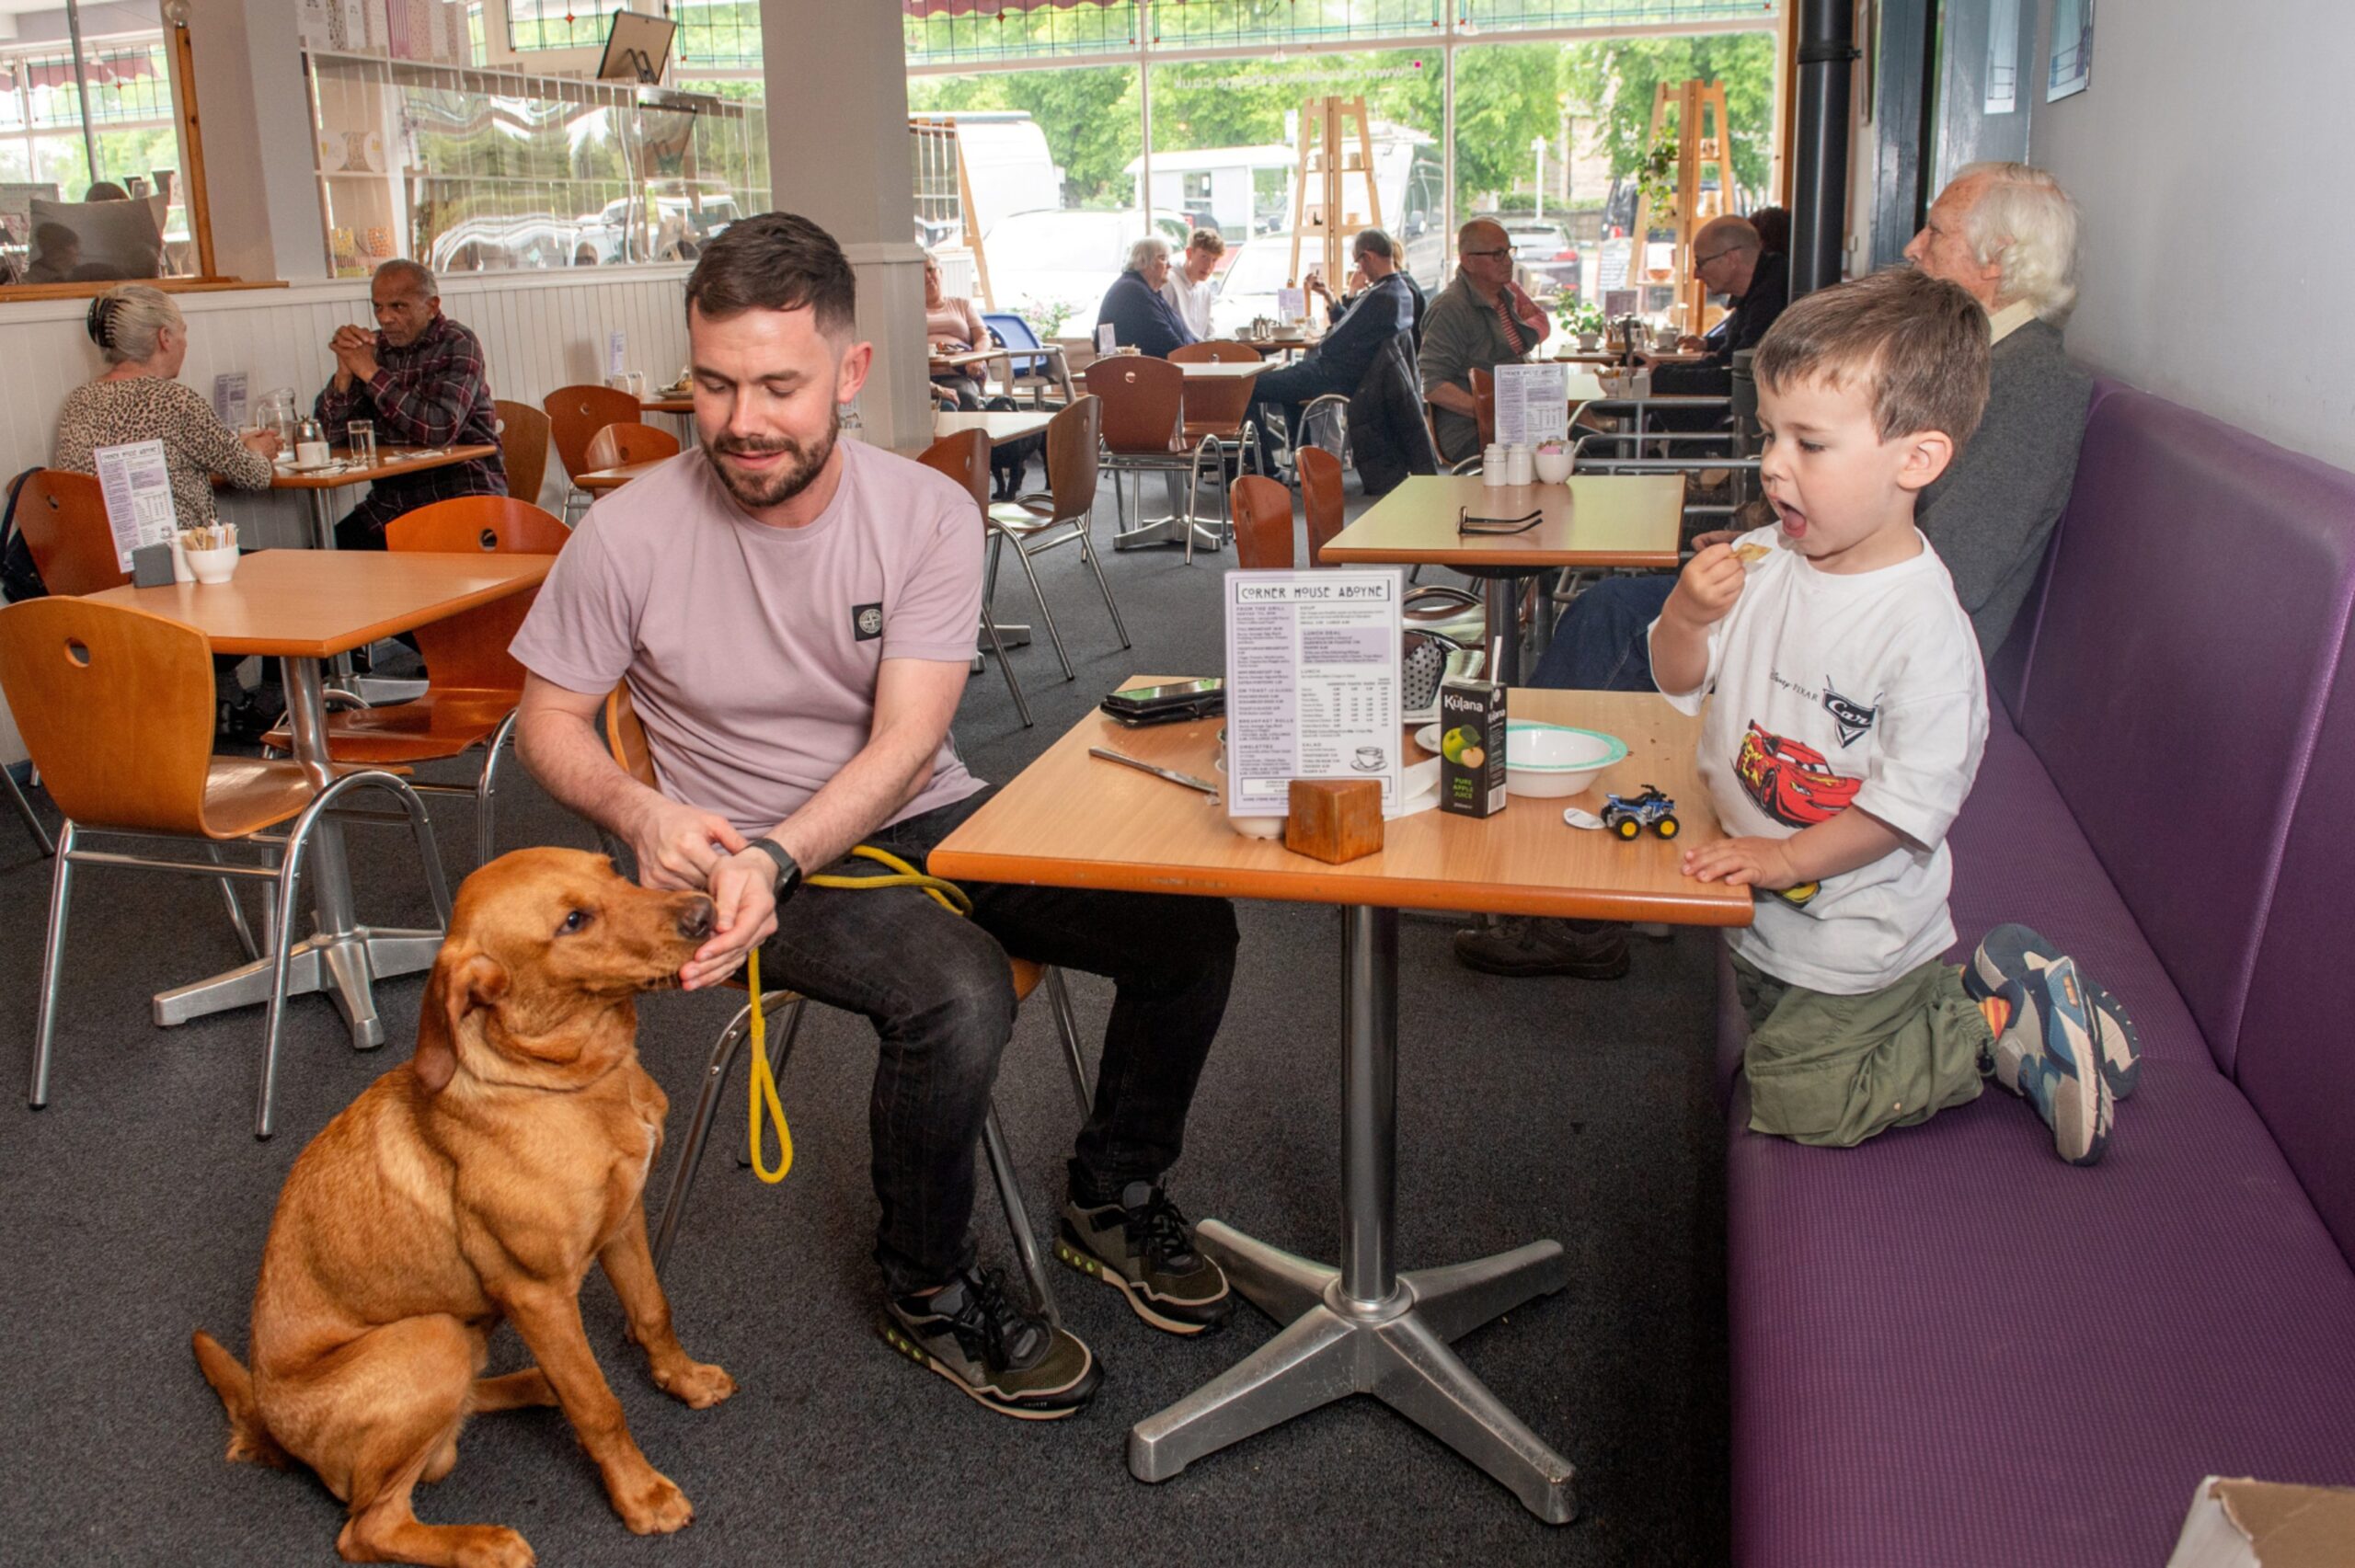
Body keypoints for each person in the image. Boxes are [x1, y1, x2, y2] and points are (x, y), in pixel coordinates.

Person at [511, 212, 1240, 1421]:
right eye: (715, 383)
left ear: (850, 373)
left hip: (896, 816)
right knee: (954, 990)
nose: (743, 420)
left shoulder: (924, 514)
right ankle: (927, 1286)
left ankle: (1112, 1192)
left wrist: (790, 850)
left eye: (779, 386)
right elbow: (548, 721)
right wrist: (637, 809)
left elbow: (907, 748)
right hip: (726, 862)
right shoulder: (626, 533)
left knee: (1188, 928)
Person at [1466, 166, 2092, 983]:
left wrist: (1786, 548)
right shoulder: (1975, 359)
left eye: (1934, 231)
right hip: (1817, 583)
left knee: (1611, 611)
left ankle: (1566, 904)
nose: (1911, 245)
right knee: (1640, 608)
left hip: (1870, 658)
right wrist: (1775, 538)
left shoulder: (2034, 380)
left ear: (1997, 259)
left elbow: (1959, 570)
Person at [1659, 267, 2131, 1166]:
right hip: (1763, 908)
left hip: (1856, 925)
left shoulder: (1922, 630)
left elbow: (1907, 806)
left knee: (1804, 1101)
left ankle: (1992, 1023)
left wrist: (1786, 855)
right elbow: (1677, 680)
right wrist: (1685, 617)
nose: (1770, 464)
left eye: (1809, 444)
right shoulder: (1761, 561)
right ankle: (1956, 997)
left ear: (1915, 459)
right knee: (1771, 1037)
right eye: (1769, 434)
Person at [53, 284, 283, 735]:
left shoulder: (79, 402)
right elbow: (253, 475)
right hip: (172, 577)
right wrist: (259, 451)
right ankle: (270, 710)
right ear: (164, 338)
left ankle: (225, 697)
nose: (183, 341)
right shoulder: (172, 400)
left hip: (100, 579)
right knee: (280, 575)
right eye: (182, 331)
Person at [313, 258, 505, 551]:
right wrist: (345, 373)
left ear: (431, 306)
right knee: (320, 558)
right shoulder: (374, 349)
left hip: (460, 498)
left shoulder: (457, 342)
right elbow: (332, 440)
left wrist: (369, 373)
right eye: (378, 307)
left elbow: (439, 429)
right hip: (392, 504)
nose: (384, 318)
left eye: (398, 306)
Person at [1249, 226, 1417, 461]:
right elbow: (1350, 329)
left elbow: (1332, 344)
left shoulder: (1378, 296)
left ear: (1367, 257)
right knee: (1288, 388)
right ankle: (1304, 464)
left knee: (1247, 387)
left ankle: (1264, 468)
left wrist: (1330, 332)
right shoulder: (1401, 292)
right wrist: (1331, 302)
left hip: (1334, 376)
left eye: (1357, 263)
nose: (1359, 270)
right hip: (1359, 376)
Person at [1419, 218, 1552, 464]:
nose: (1509, 261)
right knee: (1581, 453)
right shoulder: (1450, 308)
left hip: (1516, 427)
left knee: (1586, 443)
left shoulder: (1505, 297)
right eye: (1498, 254)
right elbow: (1434, 386)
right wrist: (1493, 416)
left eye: (1509, 251)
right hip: (1473, 434)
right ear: (1469, 261)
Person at [1649, 214, 1786, 393]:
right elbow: (1726, 360)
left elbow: (1739, 379)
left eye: (1700, 263)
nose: (1695, 275)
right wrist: (1658, 372)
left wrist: (1659, 376)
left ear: (1731, 259)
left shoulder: (1772, 297)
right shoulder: (1757, 291)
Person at [1314, 227, 1428, 348]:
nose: (1360, 269)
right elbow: (1351, 324)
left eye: (1359, 263)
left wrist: (1353, 291)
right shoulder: (1398, 288)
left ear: (1371, 258)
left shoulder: (1386, 294)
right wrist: (1350, 291)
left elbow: (1348, 332)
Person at [1095, 235, 1196, 359]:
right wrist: (1195, 356)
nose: (1169, 266)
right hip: (1135, 373)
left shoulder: (1147, 290)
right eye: (1163, 258)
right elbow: (1166, 342)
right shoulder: (1132, 291)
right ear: (1144, 261)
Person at [922, 253, 990, 411]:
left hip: (957, 373)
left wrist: (977, 358)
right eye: (920, 273)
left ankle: (973, 435)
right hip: (924, 376)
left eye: (931, 270)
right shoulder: (909, 310)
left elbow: (983, 337)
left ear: (941, 272)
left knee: (965, 396)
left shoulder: (962, 304)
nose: (927, 277)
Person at [1162, 228, 1224, 341]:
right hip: (1177, 352)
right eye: (1204, 257)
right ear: (1189, 253)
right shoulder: (1169, 281)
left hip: (1199, 353)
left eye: (1214, 260)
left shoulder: (1205, 290)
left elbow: (1209, 332)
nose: (1209, 265)